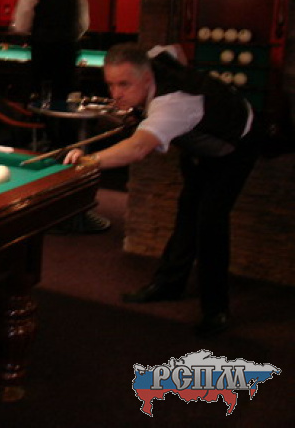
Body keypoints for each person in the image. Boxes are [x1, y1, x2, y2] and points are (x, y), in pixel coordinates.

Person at [64, 43, 261, 336]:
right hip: (200, 142)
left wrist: (89, 161)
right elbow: (176, 50)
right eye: (111, 84)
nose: (116, 94)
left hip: (234, 143)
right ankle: (168, 285)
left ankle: (216, 310)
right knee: (187, 212)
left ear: (147, 79)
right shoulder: (154, 58)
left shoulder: (173, 104)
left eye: (124, 84)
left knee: (210, 223)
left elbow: (138, 148)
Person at [11, 0, 89, 101]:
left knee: (41, 94)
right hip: (68, 50)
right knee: (64, 94)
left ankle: (40, 115)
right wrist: (70, 37)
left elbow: (21, 26)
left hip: (42, 50)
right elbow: (83, 23)